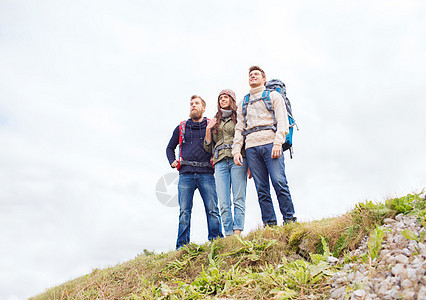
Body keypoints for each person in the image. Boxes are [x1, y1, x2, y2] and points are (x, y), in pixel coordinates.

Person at [232, 66, 296, 226]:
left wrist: (278, 142)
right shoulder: (243, 102)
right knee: (261, 188)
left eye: (256, 74)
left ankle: (289, 220)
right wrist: (236, 151)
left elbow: (282, 120)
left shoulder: (273, 96)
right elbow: (239, 128)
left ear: (263, 79)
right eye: (250, 75)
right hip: (251, 148)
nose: (253, 76)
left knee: (279, 181)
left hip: (271, 144)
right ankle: (270, 224)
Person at [166, 95, 223, 249]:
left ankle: (216, 242)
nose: (193, 106)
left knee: (212, 209)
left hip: (207, 173)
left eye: (197, 103)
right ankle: (182, 247)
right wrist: (172, 161)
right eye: (191, 103)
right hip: (186, 174)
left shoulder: (212, 125)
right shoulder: (181, 127)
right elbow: (169, 148)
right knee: (184, 212)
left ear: (203, 108)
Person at [203, 89, 248, 236]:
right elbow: (207, 147)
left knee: (238, 197)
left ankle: (237, 232)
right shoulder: (215, 120)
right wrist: (208, 130)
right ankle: (228, 233)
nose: (223, 100)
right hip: (220, 161)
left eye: (226, 97)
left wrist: (251, 166)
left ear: (232, 100)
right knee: (223, 200)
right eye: (220, 98)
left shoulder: (240, 117)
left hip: (238, 159)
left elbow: (245, 140)